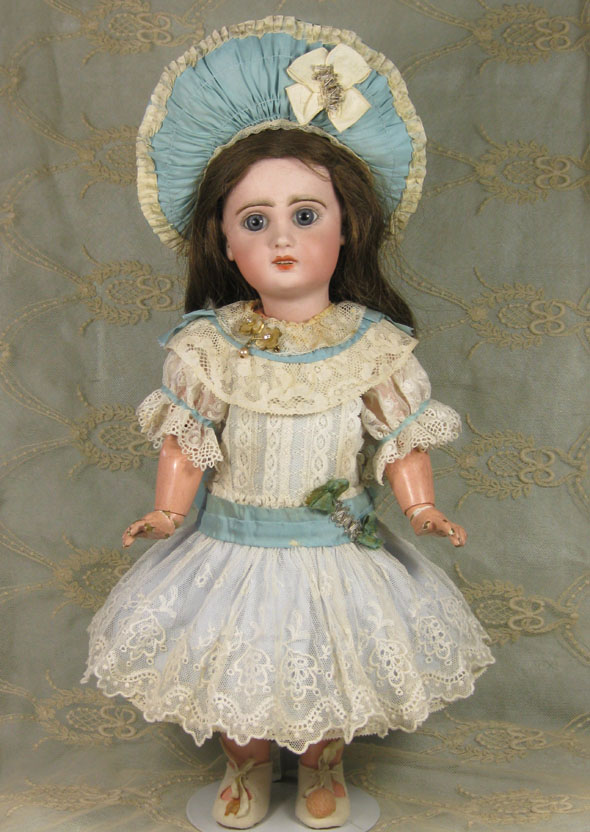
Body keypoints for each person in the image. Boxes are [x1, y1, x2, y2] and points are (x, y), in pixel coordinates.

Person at [82, 18, 494, 829]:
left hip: (335, 546)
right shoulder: (212, 346)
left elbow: (399, 436)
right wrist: (167, 508)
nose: (280, 239)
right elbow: (188, 436)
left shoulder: (372, 347)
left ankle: (322, 769)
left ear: (347, 228)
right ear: (224, 241)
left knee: (327, 663)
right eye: (254, 220)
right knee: (240, 663)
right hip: (232, 543)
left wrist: (420, 505)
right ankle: (243, 768)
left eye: (306, 215)